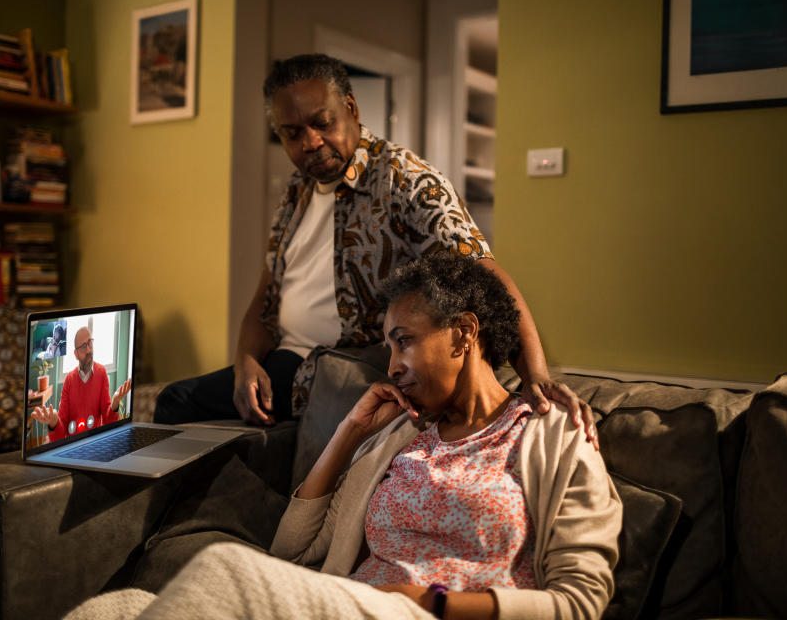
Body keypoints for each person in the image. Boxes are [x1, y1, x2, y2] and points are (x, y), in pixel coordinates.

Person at [66, 253, 620, 620]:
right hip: (351, 606)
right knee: (108, 611)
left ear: (465, 333)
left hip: (426, 614)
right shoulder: (398, 435)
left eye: (404, 341)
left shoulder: (554, 435)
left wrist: (432, 602)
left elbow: (583, 600)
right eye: (388, 348)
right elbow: (292, 551)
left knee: (221, 569)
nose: (394, 365)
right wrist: (349, 434)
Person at [154, 53, 597, 448]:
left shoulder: (403, 179)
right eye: (292, 133)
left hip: (342, 368)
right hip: (282, 361)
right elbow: (264, 300)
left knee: (181, 405)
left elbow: (483, 272)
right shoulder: (296, 193)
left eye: (322, 123)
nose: (309, 142)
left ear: (350, 107)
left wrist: (535, 373)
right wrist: (245, 363)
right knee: (174, 404)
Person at [31, 326, 132, 442]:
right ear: (76, 354)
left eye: (90, 343)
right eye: (83, 346)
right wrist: (54, 421)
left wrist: (115, 403)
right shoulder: (69, 380)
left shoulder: (101, 372)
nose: (88, 350)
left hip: (95, 444)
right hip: (72, 446)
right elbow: (60, 433)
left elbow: (108, 421)